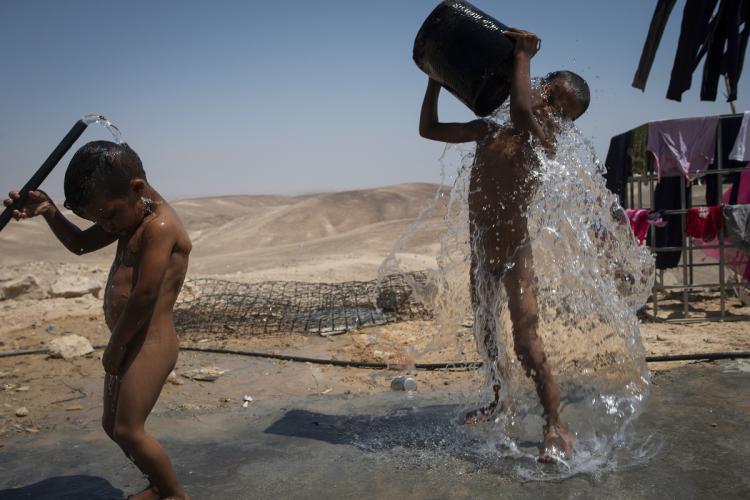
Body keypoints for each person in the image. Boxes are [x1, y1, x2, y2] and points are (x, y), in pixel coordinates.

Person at [418, 27, 590, 463]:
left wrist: (522, 56)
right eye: (548, 96)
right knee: (487, 334)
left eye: (560, 110)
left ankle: (555, 423)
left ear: (565, 124)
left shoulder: (543, 143)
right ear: (537, 88)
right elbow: (429, 129)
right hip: (482, 254)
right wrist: (436, 79)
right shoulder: (486, 131)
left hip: (516, 255)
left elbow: (520, 112)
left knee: (527, 344)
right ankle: (500, 400)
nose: (548, 108)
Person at [4, 141, 191, 499]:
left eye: (107, 216)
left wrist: (116, 346)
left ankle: (172, 493)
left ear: (136, 189)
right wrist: (49, 211)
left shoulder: (160, 226)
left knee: (128, 429)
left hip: (149, 342)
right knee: (112, 425)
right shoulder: (128, 213)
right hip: (128, 339)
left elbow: (145, 295)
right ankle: (156, 484)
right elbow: (79, 245)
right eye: (98, 220)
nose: (106, 226)